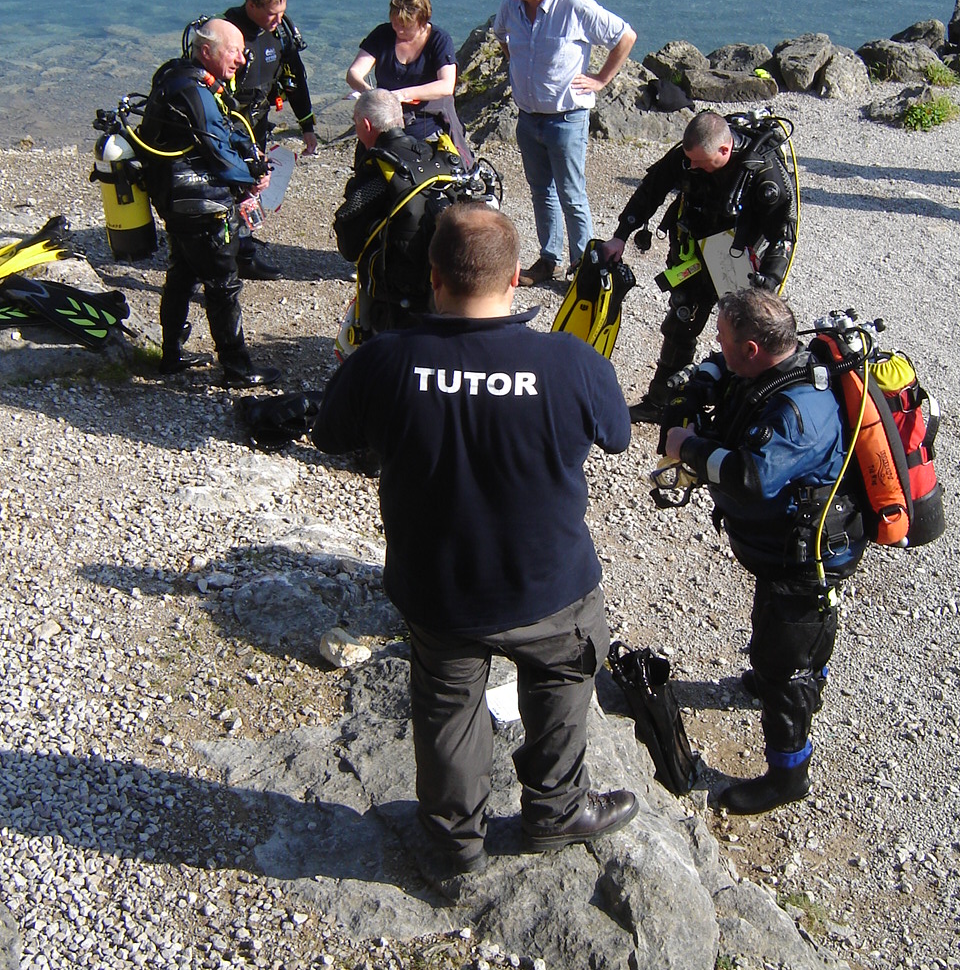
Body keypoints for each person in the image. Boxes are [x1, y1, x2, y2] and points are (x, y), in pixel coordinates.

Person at [312, 203, 637, 874]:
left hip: (439, 587)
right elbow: (619, 435)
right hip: (549, 584)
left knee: (448, 705)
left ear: (434, 277)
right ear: (516, 277)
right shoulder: (571, 362)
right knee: (560, 679)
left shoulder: (384, 360)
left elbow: (330, 435)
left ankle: (455, 840)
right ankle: (556, 809)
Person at [662, 289, 867, 814]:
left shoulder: (800, 413)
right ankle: (780, 671)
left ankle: (788, 774)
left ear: (753, 348)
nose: (716, 345)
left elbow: (750, 477)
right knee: (779, 626)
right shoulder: (769, 366)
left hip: (807, 558)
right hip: (778, 553)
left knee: (786, 666)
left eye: (725, 340)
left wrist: (686, 446)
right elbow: (720, 367)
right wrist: (705, 377)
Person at [602, 109, 796, 424]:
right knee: (680, 321)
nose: (691, 167)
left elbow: (783, 238)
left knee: (742, 336)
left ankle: (740, 413)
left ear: (725, 149)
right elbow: (651, 190)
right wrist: (620, 235)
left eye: (699, 163)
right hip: (693, 251)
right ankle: (662, 401)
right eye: (689, 161)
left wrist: (767, 285)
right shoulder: (689, 155)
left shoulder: (764, 173)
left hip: (737, 259)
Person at [137, 18, 281, 389]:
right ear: (206, 52)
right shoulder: (195, 92)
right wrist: (254, 178)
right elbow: (217, 151)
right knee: (222, 285)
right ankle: (237, 368)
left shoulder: (174, 77)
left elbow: (219, 134)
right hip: (200, 204)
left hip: (175, 199)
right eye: (233, 51)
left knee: (182, 273)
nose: (242, 58)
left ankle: (171, 354)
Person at [492, 0, 637, 287]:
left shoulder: (574, 7)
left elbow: (625, 36)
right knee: (540, 190)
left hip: (566, 118)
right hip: (528, 117)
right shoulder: (509, 7)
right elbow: (501, 35)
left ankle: (583, 265)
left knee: (571, 194)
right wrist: (517, 64)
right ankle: (549, 259)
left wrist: (601, 79)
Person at [333, 89, 462, 340]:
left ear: (366, 125)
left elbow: (349, 244)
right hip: (448, 282)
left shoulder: (379, 171)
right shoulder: (439, 156)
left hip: (400, 296)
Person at [223, 0, 317, 280]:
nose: (278, 19)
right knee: (230, 189)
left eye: (282, 12)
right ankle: (230, 253)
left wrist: (307, 125)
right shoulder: (230, 33)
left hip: (258, 124)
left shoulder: (281, 33)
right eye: (271, 14)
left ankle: (244, 251)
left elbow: (295, 81)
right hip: (226, 127)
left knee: (255, 186)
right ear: (251, 5)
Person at [345, 0, 473, 162]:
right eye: (395, 23)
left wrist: (402, 94)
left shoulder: (439, 40)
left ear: (421, 22)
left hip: (425, 125)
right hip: (384, 124)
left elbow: (446, 85)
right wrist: (373, 95)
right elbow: (353, 73)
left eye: (405, 26)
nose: (398, 30)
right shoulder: (383, 34)